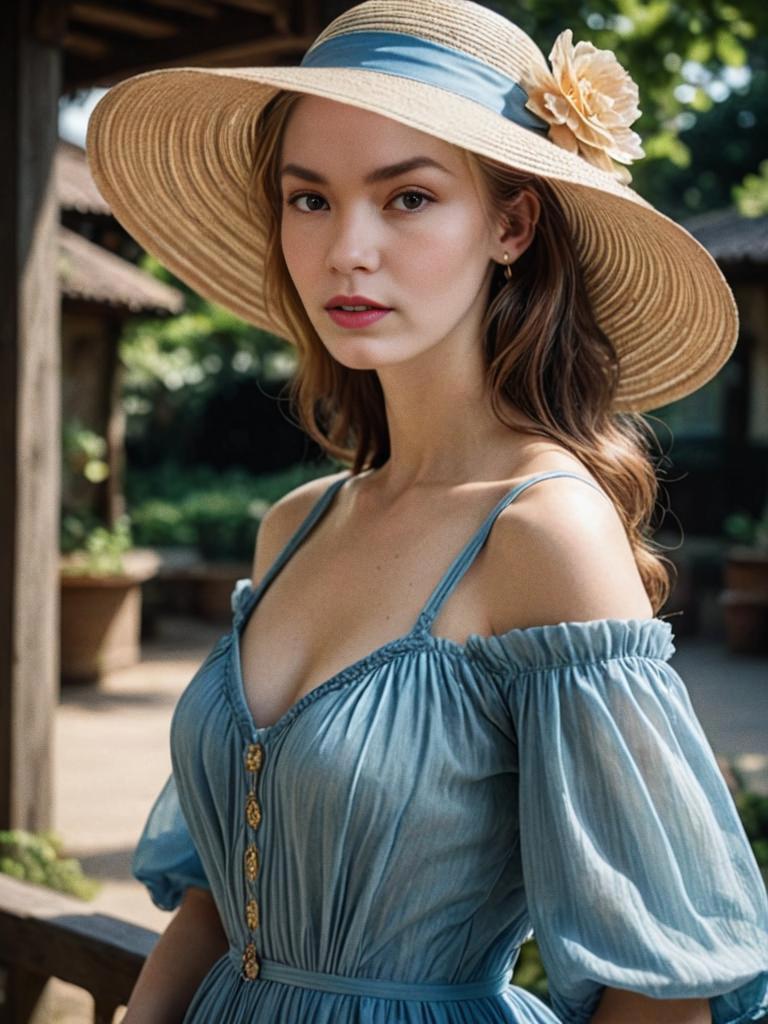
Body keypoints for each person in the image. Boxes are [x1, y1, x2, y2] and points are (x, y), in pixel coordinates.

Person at [86, 1, 768, 1022]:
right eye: (307, 198)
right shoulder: (298, 523)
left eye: (406, 197)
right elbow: (224, 891)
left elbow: (660, 982)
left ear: (512, 224)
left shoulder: (544, 532)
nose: (346, 249)